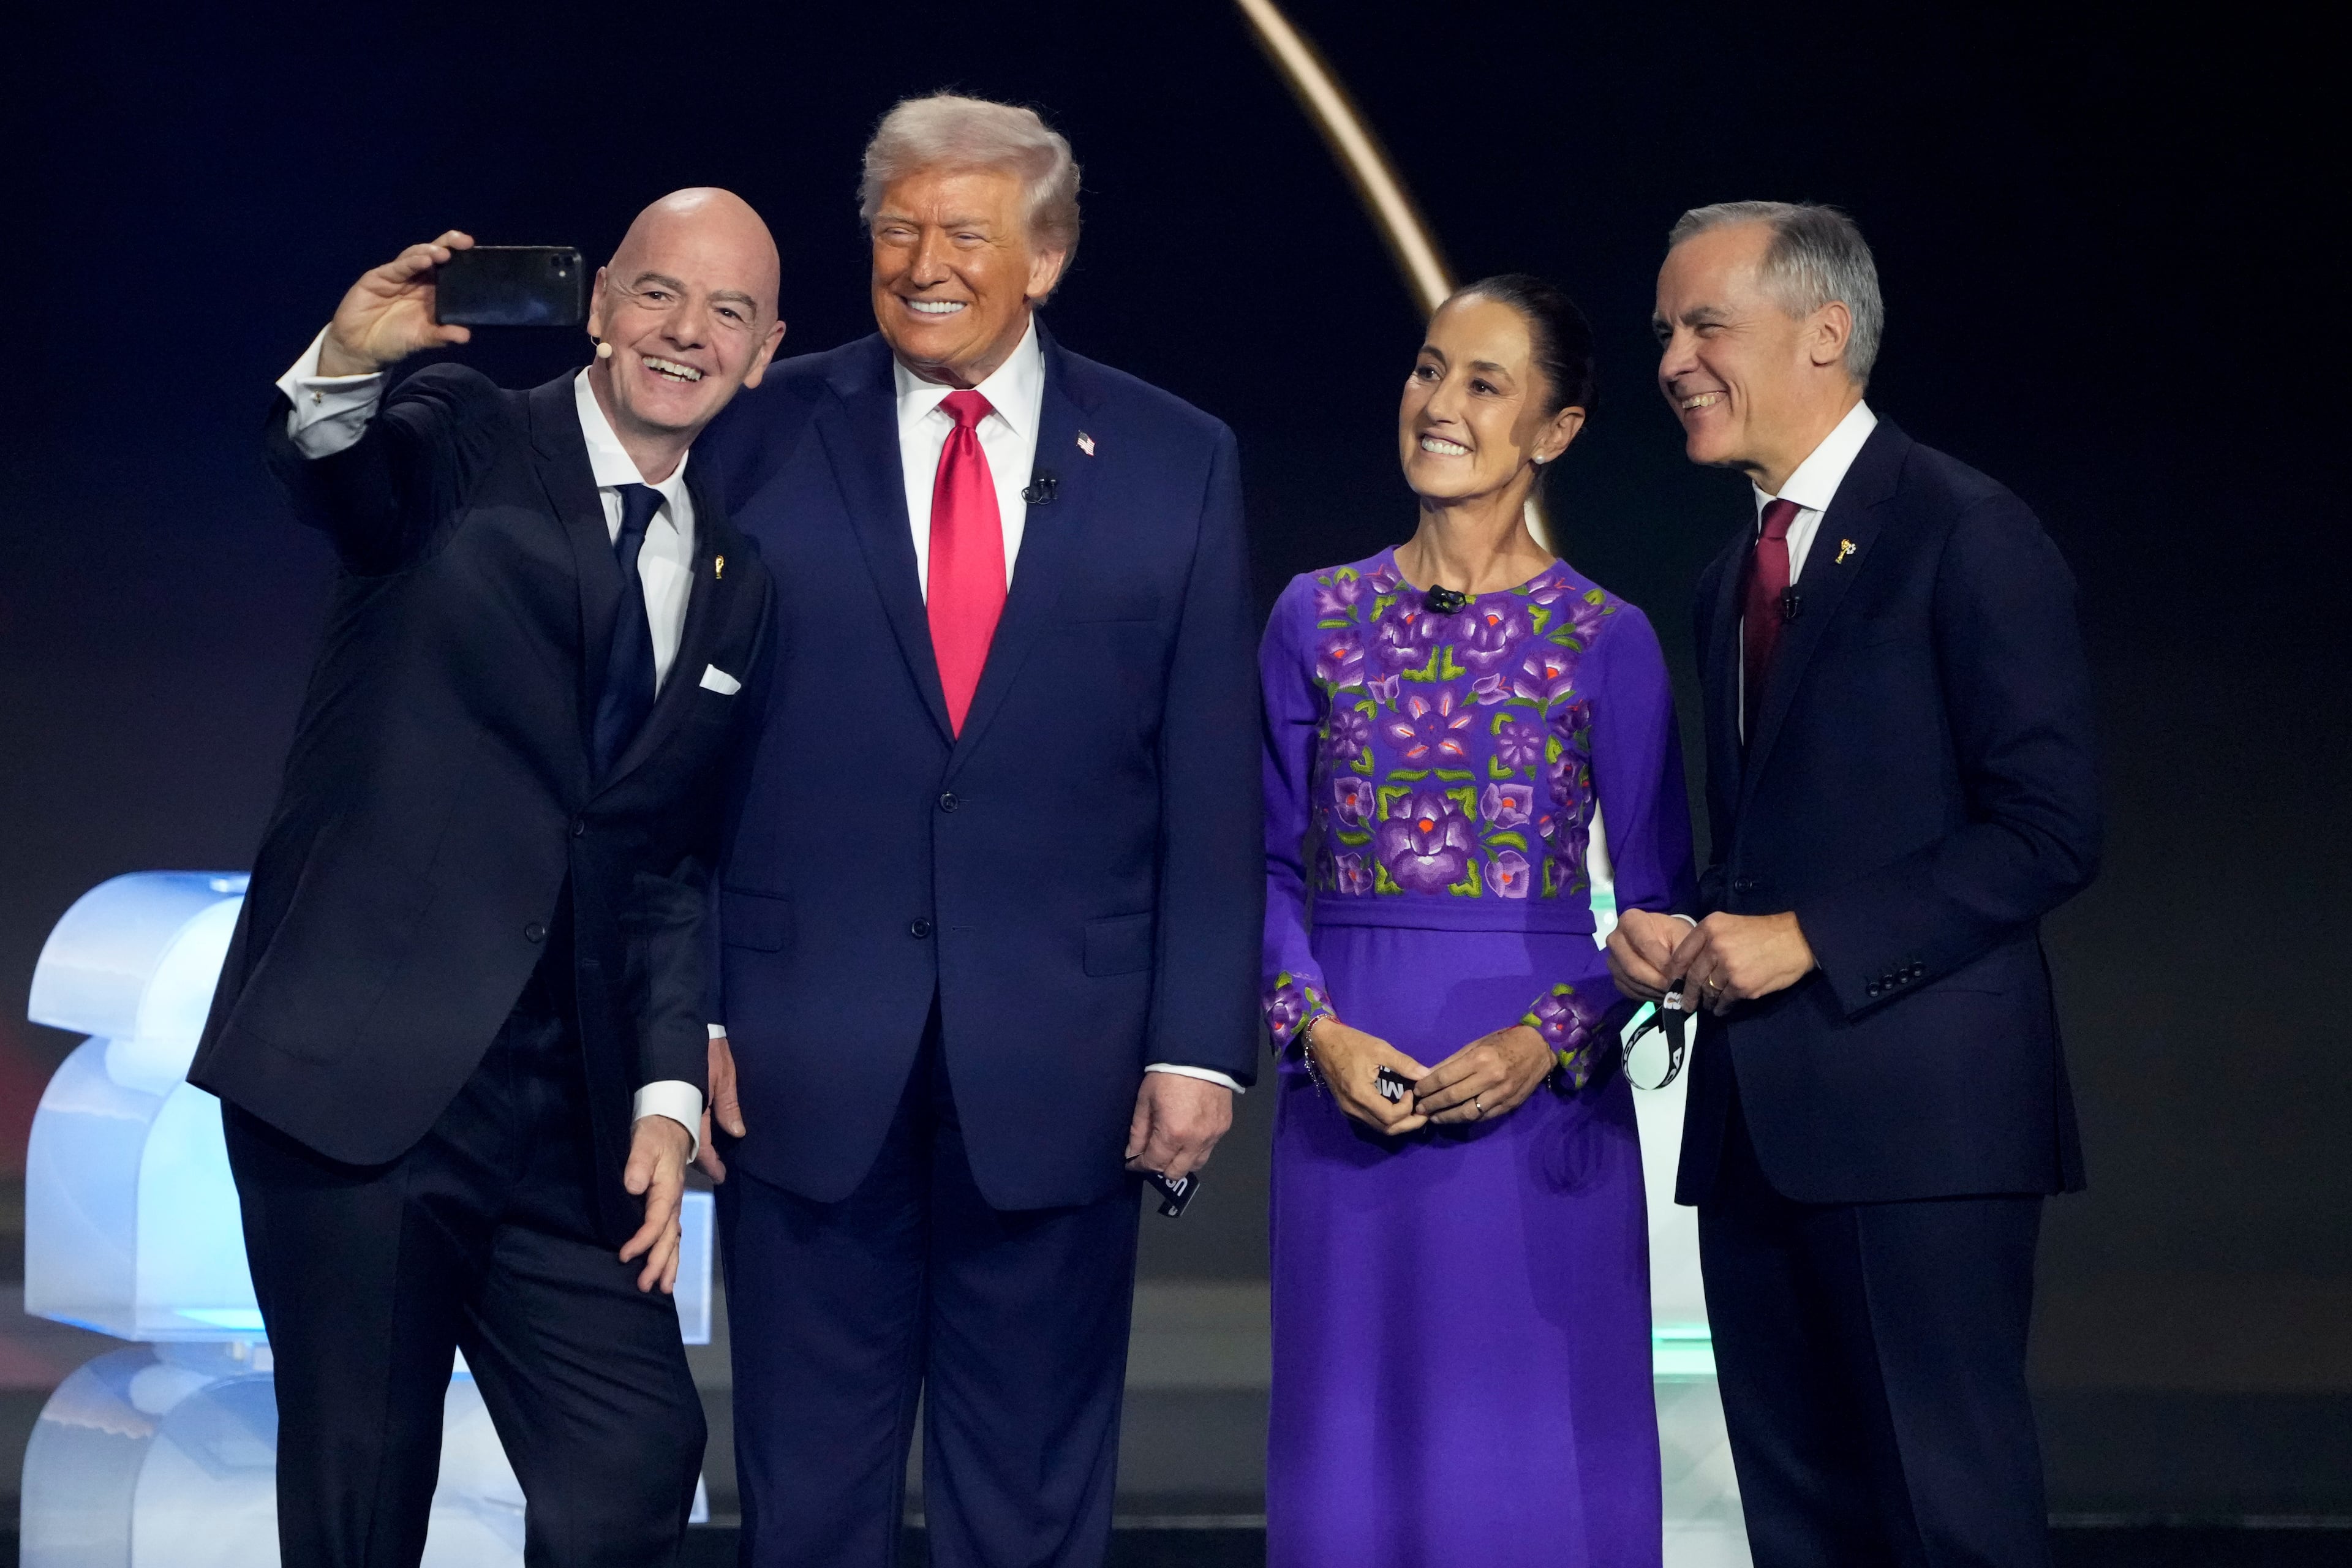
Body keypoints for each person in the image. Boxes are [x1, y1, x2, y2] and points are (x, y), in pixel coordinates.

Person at [688, 96, 1262, 1567]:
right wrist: (675, 1015)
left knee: (1031, 1499)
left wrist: (1197, 1042)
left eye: (966, 232)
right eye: (898, 229)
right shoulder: (754, 435)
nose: (924, 261)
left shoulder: (1173, 455)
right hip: (794, 1050)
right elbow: (674, 763)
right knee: (807, 1498)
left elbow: (1206, 779)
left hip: (1062, 1057)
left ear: (1048, 257)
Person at [190, 189, 786, 1567]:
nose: (686, 332)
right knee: (361, 1501)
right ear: (599, 307)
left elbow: (667, 855)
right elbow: (336, 471)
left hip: (563, 1117)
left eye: (729, 313)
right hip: (362, 1081)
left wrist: (662, 1087)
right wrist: (348, 361)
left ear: (763, 353)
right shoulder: (461, 427)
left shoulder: (739, 577)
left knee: (635, 1455)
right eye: (657, 293)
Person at [1611, 202, 2101, 1567]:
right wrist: (1688, 924)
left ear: (1827, 332)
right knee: (1800, 1525)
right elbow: (1782, 838)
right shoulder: (1730, 576)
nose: (1674, 360)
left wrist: (1807, 937)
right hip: (1760, 1123)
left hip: (1922, 1130)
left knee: (1947, 1519)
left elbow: (2051, 826)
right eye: (1666, 332)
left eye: (1706, 323)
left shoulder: (1965, 530)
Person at [1259, 273, 1697, 1567]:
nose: (1438, 402)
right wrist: (1317, 1032)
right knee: (1355, 1461)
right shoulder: (1312, 616)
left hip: (1539, 1109)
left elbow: (1662, 910)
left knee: (1534, 1472)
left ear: (1553, 431)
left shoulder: (1605, 638)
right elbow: (1267, 867)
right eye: (1427, 368)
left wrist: (1546, 1040)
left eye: (1483, 383)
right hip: (1345, 1094)